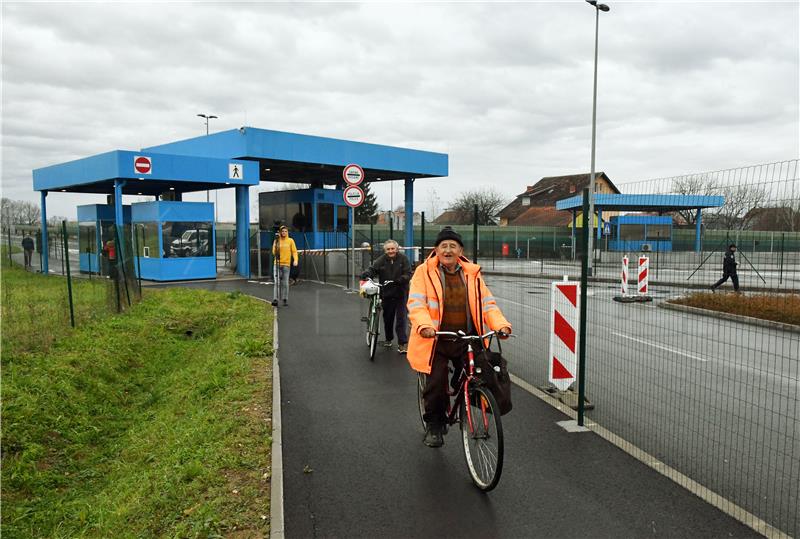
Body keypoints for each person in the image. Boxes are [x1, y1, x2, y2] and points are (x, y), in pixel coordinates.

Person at [406, 227, 512, 448]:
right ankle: (435, 425)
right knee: (436, 382)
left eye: (452, 246)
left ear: (460, 250)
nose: (447, 250)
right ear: (435, 250)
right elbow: (416, 304)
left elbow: (487, 305)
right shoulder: (423, 272)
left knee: (486, 373)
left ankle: (469, 390)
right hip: (436, 339)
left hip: (467, 338)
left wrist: (500, 325)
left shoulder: (472, 274)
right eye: (443, 246)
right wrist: (425, 325)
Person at [360, 239, 412, 353]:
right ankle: (388, 339)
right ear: (385, 250)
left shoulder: (403, 259)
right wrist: (367, 274)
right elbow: (373, 269)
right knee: (388, 318)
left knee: (401, 319)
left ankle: (402, 344)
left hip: (400, 293)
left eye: (393, 248)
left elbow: (408, 273)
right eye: (388, 249)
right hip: (387, 293)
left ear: (397, 249)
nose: (390, 251)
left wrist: (400, 280)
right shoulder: (381, 260)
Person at [271, 225, 298, 306]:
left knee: (285, 283)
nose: (284, 233)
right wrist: (277, 242)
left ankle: (285, 299)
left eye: (286, 231)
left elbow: (294, 251)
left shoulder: (290, 241)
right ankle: (275, 299)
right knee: (277, 282)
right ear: (280, 232)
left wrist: (296, 260)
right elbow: (273, 252)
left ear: (287, 232)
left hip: (286, 265)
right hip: (277, 264)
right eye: (282, 231)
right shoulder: (276, 241)